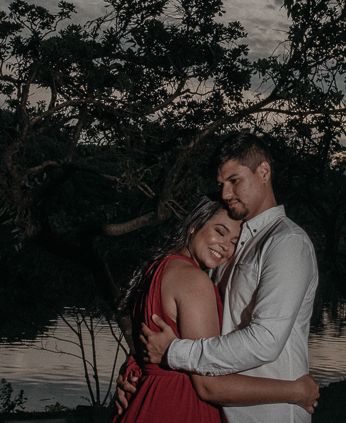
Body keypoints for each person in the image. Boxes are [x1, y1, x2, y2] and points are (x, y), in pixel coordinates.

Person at [136, 133, 320, 423]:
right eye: (221, 184)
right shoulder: (231, 246)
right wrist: (136, 371)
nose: (224, 194)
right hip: (221, 409)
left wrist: (174, 352)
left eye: (234, 180)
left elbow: (266, 340)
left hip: (269, 415)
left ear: (263, 172)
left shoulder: (287, 242)